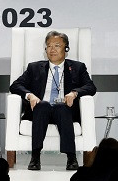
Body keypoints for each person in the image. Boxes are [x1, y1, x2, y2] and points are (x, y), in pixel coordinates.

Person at [9, 30, 96, 170]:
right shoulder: (34, 67)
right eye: (49, 46)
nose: (52, 50)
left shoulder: (78, 67)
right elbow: (15, 86)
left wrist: (74, 93)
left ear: (66, 49)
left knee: (62, 107)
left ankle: (71, 157)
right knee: (42, 105)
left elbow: (91, 87)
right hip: (40, 111)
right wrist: (30, 95)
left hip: (65, 112)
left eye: (57, 45)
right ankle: (35, 157)